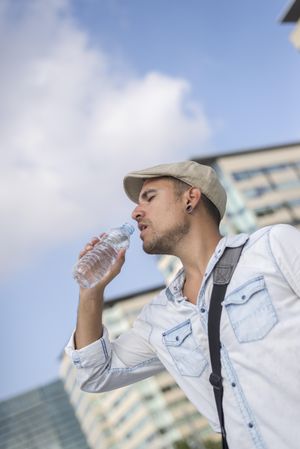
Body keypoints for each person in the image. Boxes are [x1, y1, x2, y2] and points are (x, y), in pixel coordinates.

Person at [65, 160, 300, 449]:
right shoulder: (159, 318)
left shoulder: (272, 247)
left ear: (191, 198)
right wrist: (91, 290)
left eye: (149, 198)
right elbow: (95, 374)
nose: (136, 212)